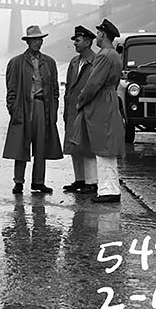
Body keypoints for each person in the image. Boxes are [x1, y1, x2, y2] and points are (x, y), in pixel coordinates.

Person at [66, 18, 124, 202]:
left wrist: (81, 100)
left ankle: (108, 190)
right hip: (110, 99)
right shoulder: (114, 54)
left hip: (101, 102)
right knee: (107, 145)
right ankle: (109, 187)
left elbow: (93, 84)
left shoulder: (103, 56)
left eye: (98, 34)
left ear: (103, 35)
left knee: (102, 146)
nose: (97, 36)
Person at [2, 24, 63, 195]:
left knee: (41, 146)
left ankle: (38, 182)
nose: (38, 42)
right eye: (34, 39)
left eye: (40, 39)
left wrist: (53, 109)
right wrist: (13, 109)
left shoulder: (49, 62)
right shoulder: (16, 62)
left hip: (41, 105)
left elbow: (55, 89)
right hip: (23, 107)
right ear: (27, 42)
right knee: (20, 146)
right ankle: (18, 182)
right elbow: (11, 89)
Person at [62, 24, 98, 194]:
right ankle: (79, 180)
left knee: (88, 146)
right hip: (72, 109)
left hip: (87, 109)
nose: (75, 43)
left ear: (88, 42)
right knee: (74, 146)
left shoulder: (96, 61)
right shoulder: (74, 62)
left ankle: (92, 182)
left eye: (77, 40)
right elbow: (69, 87)